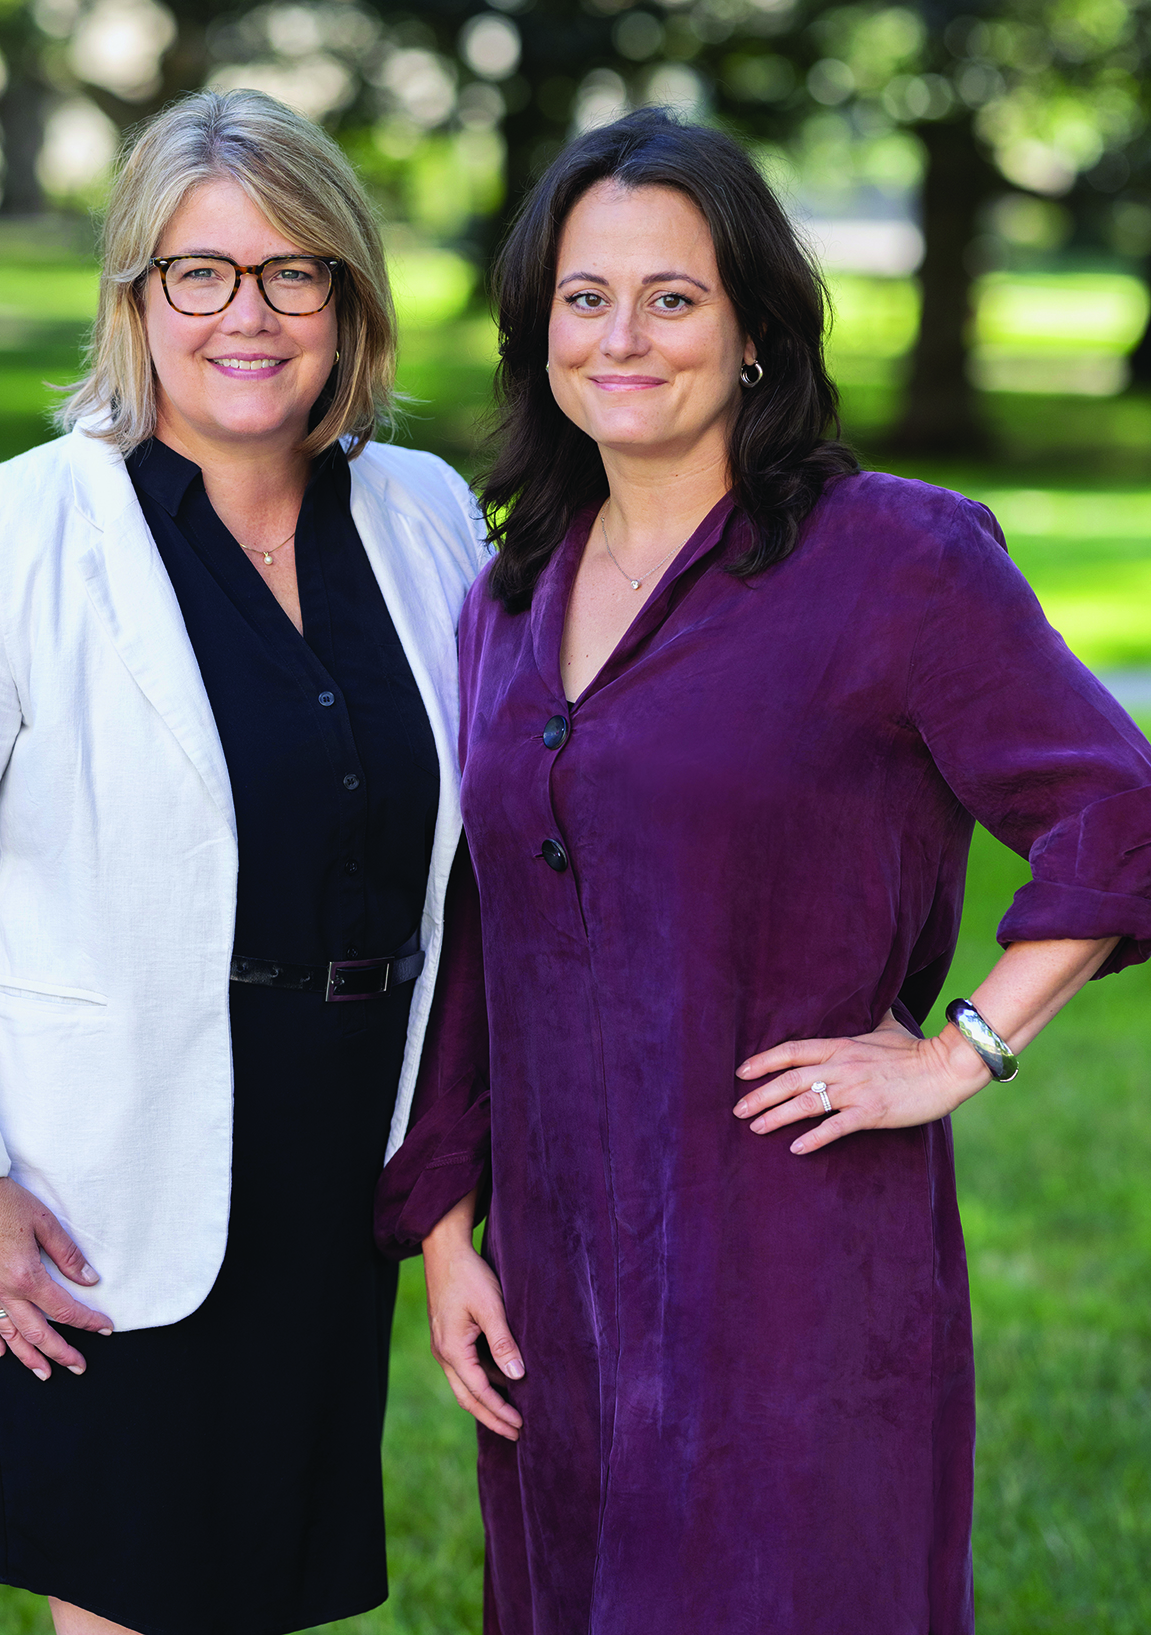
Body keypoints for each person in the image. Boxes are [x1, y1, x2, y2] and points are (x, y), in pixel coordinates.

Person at [375, 107, 1151, 1635]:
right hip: (558, 1275)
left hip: (791, 1261)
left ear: (750, 333)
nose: (621, 338)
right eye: (584, 299)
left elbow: (1114, 806)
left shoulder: (896, 561)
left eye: (672, 298)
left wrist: (958, 1052)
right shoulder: (509, 592)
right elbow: (486, 927)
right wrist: (448, 1233)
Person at [0, 88, 487, 1635]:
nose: (243, 314)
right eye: (198, 272)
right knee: (128, 1593)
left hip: (340, 1136)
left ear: (348, 299)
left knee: (266, 1579)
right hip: (86, 1161)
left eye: (290, 272)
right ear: (135, 297)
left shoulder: (425, 513)